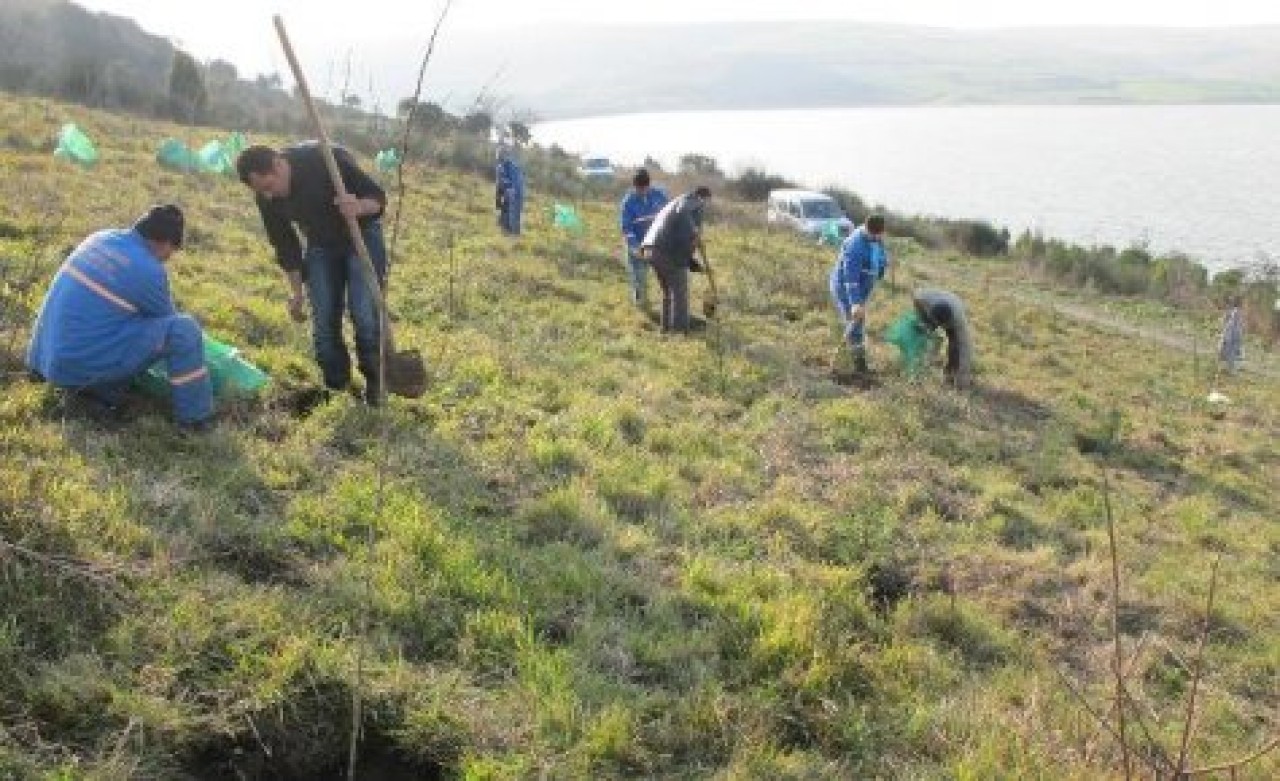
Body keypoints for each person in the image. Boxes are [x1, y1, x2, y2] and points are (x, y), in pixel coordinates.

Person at [27, 205, 215, 430]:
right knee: (184, 330)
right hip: (78, 370)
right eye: (172, 251)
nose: (168, 258)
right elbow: (169, 324)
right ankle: (195, 421)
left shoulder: (99, 238)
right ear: (164, 243)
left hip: (43, 360)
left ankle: (94, 387)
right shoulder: (149, 269)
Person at [235, 142, 388, 405]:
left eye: (269, 187)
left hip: (360, 234)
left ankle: (376, 384)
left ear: (279, 164)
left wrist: (359, 206)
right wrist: (296, 292)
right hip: (321, 243)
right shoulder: (266, 197)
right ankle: (336, 386)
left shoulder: (325, 159)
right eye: (261, 191)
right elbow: (285, 244)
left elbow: (377, 197)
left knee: (364, 313)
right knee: (324, 316)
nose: (268, 196)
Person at [640, 186, 712, 334]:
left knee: (668, 292)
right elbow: (683, 212)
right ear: (703, 198)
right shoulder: (692, 201)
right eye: (706, 202)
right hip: (665, 251)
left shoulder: (675, 201)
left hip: (651, 250)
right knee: (680, 292)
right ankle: (679, 332)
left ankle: (665, 329)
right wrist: (694, 231)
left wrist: (693, 264)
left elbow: (677, 234)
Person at [829, 215, 889, 374]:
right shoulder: (855, 246)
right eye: (874, 236)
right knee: (855, 324)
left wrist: (881, 272)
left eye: (880, 235)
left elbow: (880, 258)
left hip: (863, 288)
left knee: (857, 323)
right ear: (868, 230)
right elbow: (850, 278)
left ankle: (857, 363)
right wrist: (855, 303)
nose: (878, 238)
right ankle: (858, 367)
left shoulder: (877, 239)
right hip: (845, 289)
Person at [618, 168, 668, 308]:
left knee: (666, 277)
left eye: (645, 188)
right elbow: (626, 228)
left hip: (657, 243)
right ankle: (641, 304)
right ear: (634, 186)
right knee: (639, 277)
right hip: (637, 244)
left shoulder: (659, 196)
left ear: (649, 185)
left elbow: (668, 216)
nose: (642, 191)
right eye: (639, 189)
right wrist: (636, 247)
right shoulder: (628, 202)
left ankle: (667, 304)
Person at [912, 288, 975, 388]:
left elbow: (965, 349)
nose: (938, 326)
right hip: (931, 303)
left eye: (940, 324)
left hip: (954, 307)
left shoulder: (958, 320)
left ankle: (951, 373)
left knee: (955, 345)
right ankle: (917, 362)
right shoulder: (921, 298)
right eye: (936, 323)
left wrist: (963, 377)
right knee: (920, 332)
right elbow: (917, 305)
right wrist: (922, 322)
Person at [495, 146, 525, 236]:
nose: (498, 157)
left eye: (499, 155)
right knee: (510, 216)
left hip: (513, 194)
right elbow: (500, 186)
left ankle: (512, 237)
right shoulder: (507, 166)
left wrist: (500, 200)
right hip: (514, 193)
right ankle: (509, 234)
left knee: (512, 218)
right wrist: (499, 201)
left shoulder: (507, 167)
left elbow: (504, 185)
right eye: (498, 155)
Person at [1217, 294, 1245, 374]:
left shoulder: (1236, 312)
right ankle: (1227, 368)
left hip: (1233, 336)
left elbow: (1233, 324)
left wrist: (1226, 331)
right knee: (1225, 351)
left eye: (1232, 301)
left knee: (1232, 352)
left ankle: (1232, 370)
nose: (1230, 303)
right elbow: (1226, 320)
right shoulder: (1231, 311)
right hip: (1231, 335)